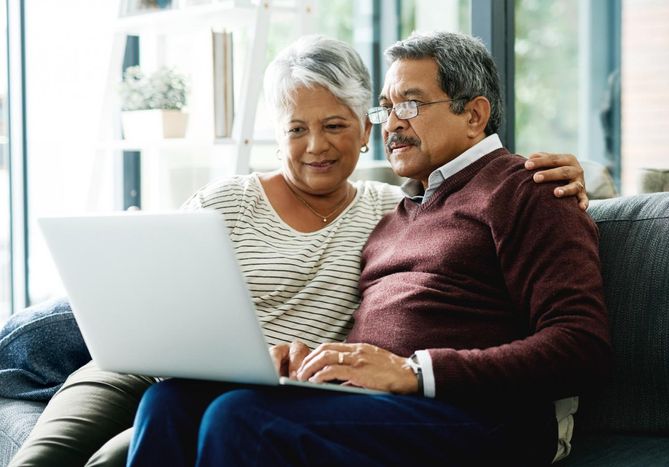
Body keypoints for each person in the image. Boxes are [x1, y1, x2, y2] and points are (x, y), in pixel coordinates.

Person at [7, 35, 588, 467]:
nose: (391, 125)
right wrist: (307, 361)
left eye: (408, 105)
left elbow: (582, 346)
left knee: (240, 419)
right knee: (173, 403)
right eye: (388, 109)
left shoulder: (529, 188)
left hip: (480, 416)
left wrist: (415, 372)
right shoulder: (403, 210)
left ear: (475, 114)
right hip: (353, 398)